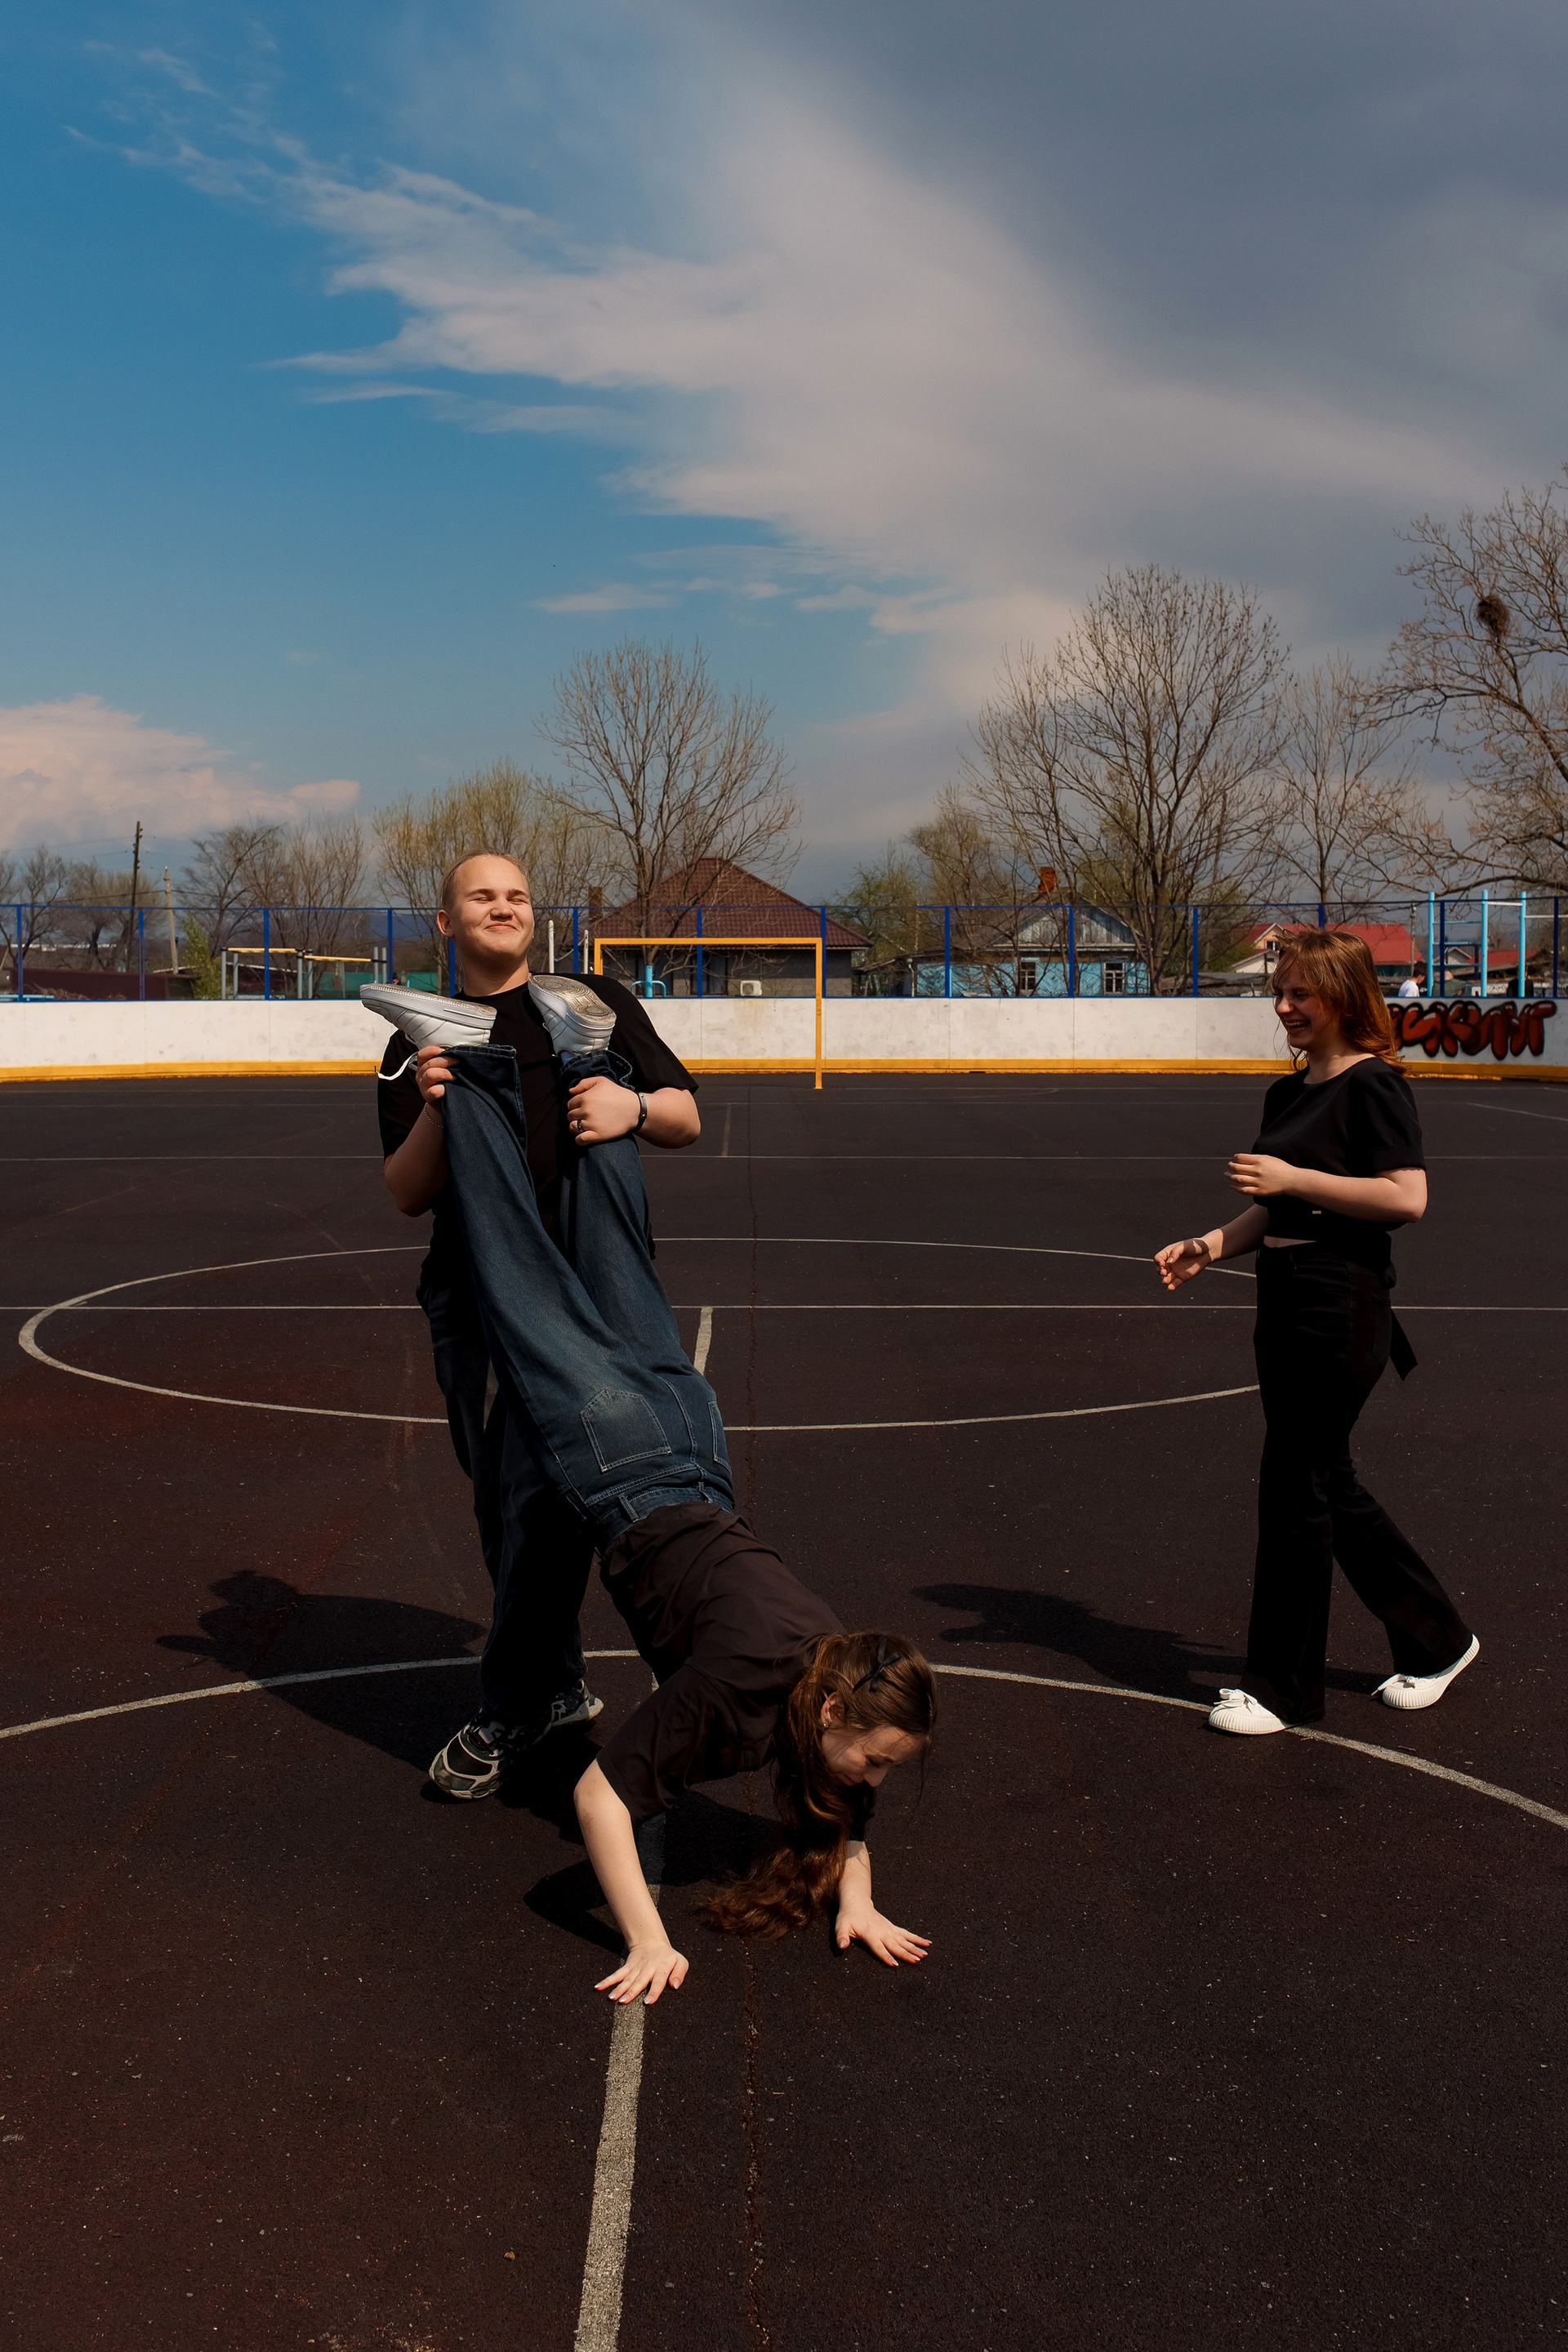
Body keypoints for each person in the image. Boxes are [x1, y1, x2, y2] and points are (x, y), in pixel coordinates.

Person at [368, 978, 936, 2003]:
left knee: (614, 1248)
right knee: (516, 1263)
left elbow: (845, 1809)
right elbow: (601, 1801)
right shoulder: (740, 1691)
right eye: (880, 1760)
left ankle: (588, 1054)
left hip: (695, 1438)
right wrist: (645, 1938)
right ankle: (479, 1066)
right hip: (620, 1462)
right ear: (836, 1708)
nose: (875, 1778)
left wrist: (857, 1896)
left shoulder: (836, 1665)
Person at [374, 853, 701, 1783]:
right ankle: (548, 1686)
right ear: (446, 922)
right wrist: (439, 1104)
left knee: (638, 1475)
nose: (504, 906)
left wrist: (632, 1103)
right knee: (512, 1506)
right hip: (479, 1292)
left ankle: (564, 1689)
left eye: (516, 895)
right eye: (482, 896)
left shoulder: (595, 995)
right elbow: (406, 1191)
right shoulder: (412, 1044)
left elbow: (686, 1119)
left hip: (596, 1272)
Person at [1155, 928, 1477, 1735]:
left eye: (1301, 993)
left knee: (1295, 1485)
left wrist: (1296, 1176)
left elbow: (1407, 1198)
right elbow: (1275, 1210)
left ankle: (1281, 1689)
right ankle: (1438, 1638)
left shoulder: (1376, 1086)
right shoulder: (1288, 1092)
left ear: (1343, 996)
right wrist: (1209, 1245)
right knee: (1324, 1478)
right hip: (1285, 1299)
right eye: (1281, 992)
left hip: (1343, 1302)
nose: (1285, 1007)